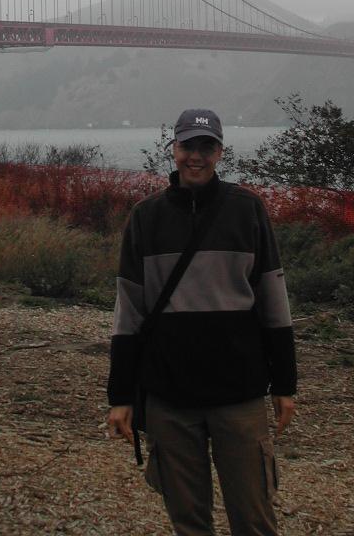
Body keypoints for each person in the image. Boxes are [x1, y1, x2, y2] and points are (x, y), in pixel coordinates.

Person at [107, 108, 297, 536]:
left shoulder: (247, 209)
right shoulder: (145, 218)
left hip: (240, 392)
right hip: (169, 396)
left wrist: (285, 383)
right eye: (187, 145)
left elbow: (273, 299)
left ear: (220, 152)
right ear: (172, 149)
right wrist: (120, 395)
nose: (196, 156)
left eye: (206, 146)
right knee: (189, 524)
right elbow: (129, 312)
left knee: (254, 519)